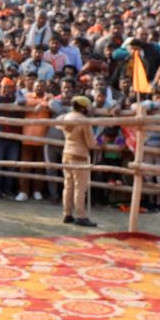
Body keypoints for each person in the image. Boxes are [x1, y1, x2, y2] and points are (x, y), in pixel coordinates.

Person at [61, 96, 98, 227]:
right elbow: (90, 143)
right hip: (80, 154)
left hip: (67, 152)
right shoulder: (84, 121)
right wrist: (100, 144)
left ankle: (67, 213)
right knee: (80, 188)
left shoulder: (66, 117)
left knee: (68, 185)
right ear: (83, 107)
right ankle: (81, 215)